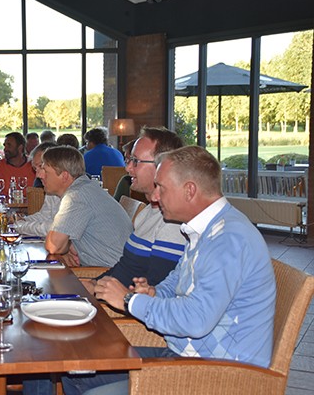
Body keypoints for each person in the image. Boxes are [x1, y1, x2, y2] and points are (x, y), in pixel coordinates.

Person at [66, 146, 276, 395]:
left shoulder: (228, 239)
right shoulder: (203, 230)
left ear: (190, 190)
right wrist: (154, 293)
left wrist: (129, 301)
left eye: (161, 188)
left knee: (87, 381)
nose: (155, 197)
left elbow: (196, 320)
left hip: (220, 374)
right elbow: (176, 280)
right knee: (76, 367)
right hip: (187, 355)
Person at [80, 127, 185, 290]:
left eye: (135, 161)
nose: (128, 168)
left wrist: (99, 290)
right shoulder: (147, 213)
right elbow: (126, 268)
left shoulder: (173, 222)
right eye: (129, 160)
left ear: (162, 166)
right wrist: (93, 283)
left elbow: (157, 288)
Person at [37, 146, 132, 267]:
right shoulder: (85, 188)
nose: (39, 175)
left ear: (64, 176)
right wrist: (66, 247)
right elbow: (59, 245)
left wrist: (64, 246)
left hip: (110, 273)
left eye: (45, 171)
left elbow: (53, 245)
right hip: (112, 267)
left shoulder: (76, 196)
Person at [13, 142, 60, 237]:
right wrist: (23, 220)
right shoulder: (51, 189)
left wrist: (20, 226)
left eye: (41, 167)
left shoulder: (75, 194)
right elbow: (44, 215)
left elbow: (55, 228)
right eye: (35, 169)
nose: (37, 175)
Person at [0, 132, 36, 196]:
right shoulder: (0, 165)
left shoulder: (33, 164)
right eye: (5, 145)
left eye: (9, 145)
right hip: (6, 202)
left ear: (20, 148)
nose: (5, 149)